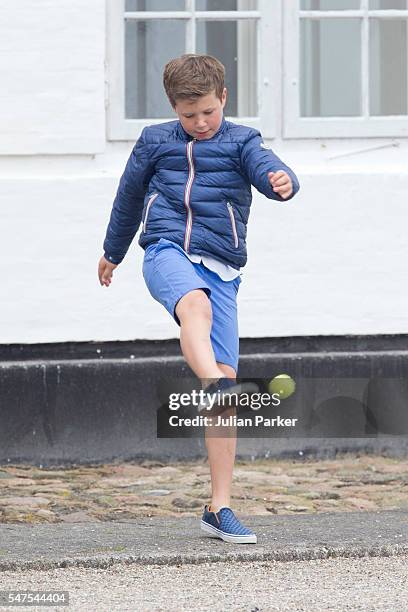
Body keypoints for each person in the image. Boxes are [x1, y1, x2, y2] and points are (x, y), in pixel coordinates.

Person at [98, 54, 300, 544]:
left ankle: (219, 506)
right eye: (189, 116)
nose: (200, 123)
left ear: (223, 98)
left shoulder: (241, 141)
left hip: (223, 266)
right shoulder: (154, 142)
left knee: (226, 393)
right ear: (174, 108)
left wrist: (284, 182)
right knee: (195, 307)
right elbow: (128, 199)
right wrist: (112, 252)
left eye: (208, 111)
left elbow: (268, 169)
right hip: (166, 250)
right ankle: (211, 381)